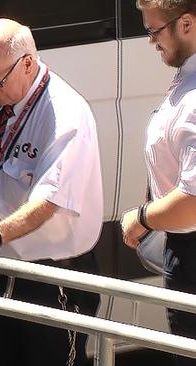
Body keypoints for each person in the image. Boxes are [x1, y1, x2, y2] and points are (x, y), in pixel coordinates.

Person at [0, 18, 103, 365]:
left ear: (28, 63)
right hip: (1, 266)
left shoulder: (64, 113)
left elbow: (48, 202)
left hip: (51, 277)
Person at [120, 1, 196, 365]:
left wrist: (143, 217)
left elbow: (194, 201)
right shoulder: (188, 78)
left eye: (154, 31)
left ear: (186, 23)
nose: (150, 41)